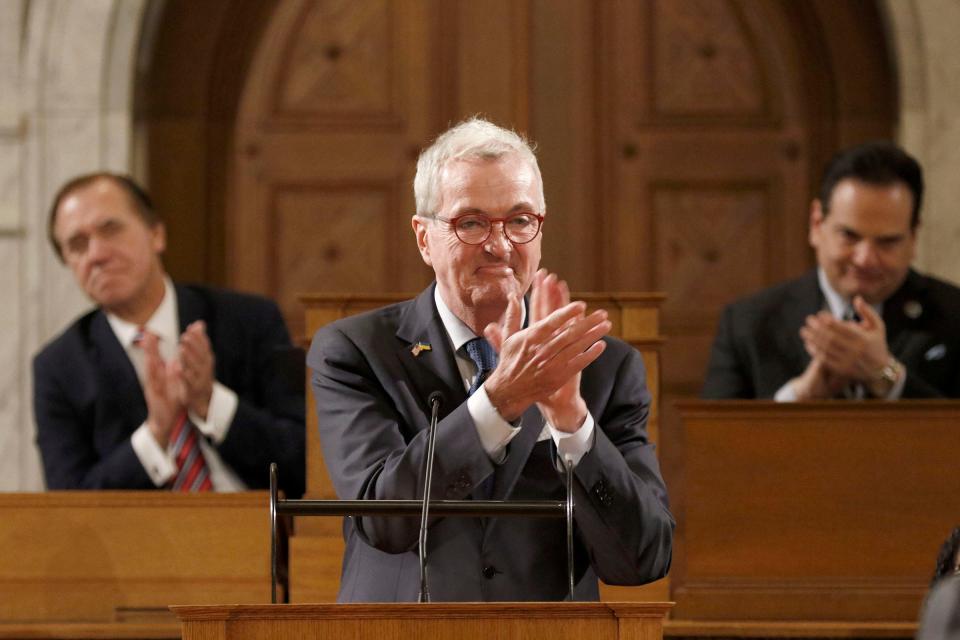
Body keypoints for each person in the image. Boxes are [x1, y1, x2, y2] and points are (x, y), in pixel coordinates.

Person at [308, 117, 673, 602]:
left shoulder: (604, 367)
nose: (500, 245)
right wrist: (501, 401)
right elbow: (384, 521)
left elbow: (642, 560)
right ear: (424, 237)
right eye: (472, 222)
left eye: (520, 221)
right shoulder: (355, 352)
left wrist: (571, 422)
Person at [33, 173, 305, 496]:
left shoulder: (250, 320)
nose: (97, 255)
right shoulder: (59, 366)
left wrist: (209, 403)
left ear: (156, 234)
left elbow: (303, 463)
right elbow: (69, 510)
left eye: (111, 230)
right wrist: (155, 434)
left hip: (261, 534)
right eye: (78, 245)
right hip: (140, 543)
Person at [702, 141, 960, 400]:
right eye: (849, 236)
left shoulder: (953, 315)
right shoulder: (748, 324)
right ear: (817, 224)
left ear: (914, 237)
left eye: (887, 242)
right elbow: (713, 439)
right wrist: (798, 397)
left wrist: (887, 377)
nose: (865, 259)